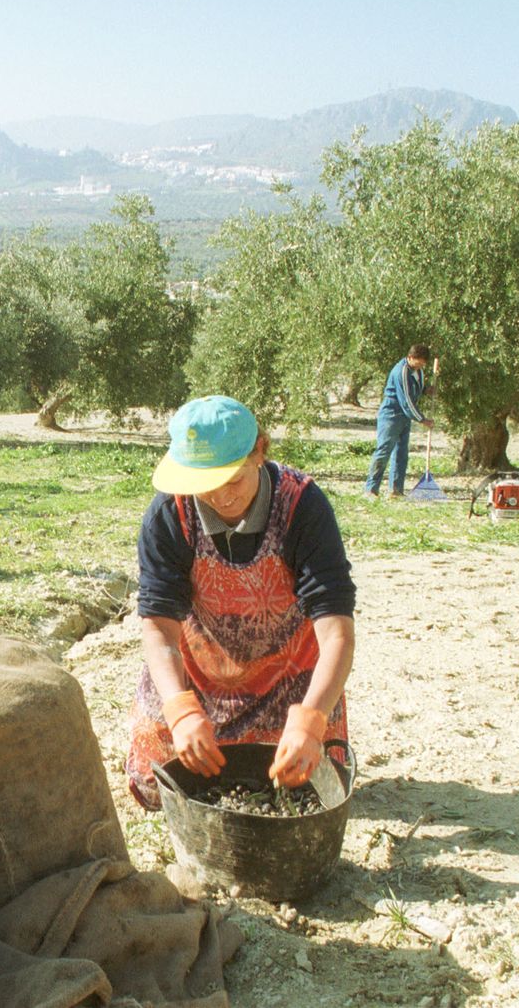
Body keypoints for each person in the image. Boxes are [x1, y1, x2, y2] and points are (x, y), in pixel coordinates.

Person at [127, 395, 356, 810]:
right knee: (154, 785)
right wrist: (180, 710)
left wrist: (312, 718)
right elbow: (159, 628)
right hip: (202, 670)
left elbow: (337, 631)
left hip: (290, 675)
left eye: (232, 479)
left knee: (314, 784)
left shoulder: (303, 507)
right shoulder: (167, 514)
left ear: (260, 451)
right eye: (204, 485)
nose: (220, 498)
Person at [364, 344, 433, 498]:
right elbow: (406, 401)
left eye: (423, 363)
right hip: (391, 415)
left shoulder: (418, 371)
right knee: (384, 450)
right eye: (419, 362)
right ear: (410, 358)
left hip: (405, 417)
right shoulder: (401, 372)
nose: (421, 366)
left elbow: (416, 387)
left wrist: (426, 390)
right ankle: (371, 489)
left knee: (401, 453)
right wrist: (422, 419)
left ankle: (396, 490)